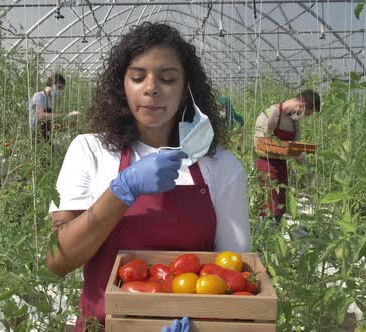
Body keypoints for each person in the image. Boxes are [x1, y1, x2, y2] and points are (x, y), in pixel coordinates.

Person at [45, 22, 250, 331]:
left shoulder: (221, 166)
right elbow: (57, 260)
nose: (151, 87)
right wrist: (121, 190)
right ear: (121, 87)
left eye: (167, 78)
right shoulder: (88, 150)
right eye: (137, 77)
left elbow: (234, 274)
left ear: (185, 91)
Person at [254, 89, 321, 224]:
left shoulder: (294, 121)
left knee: (280, 208)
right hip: (267, 166)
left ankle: (276, 235)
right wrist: (282, 149)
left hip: (281, 167)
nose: (304, 117)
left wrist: (310, 174)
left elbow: (297, 148)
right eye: (307, 114)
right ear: (301, 106)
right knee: (268, 207)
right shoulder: (271, 113)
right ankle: (265, 235)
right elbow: (258, 145)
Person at [29, 73, 66, 143]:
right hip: (36, 134)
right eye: (59, 88)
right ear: (52, 84)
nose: (60, 91)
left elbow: (49, 118)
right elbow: (40, 116)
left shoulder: (51, 99)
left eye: (61, 89)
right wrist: (63, 115)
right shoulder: (39, 96)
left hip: (45, 134)